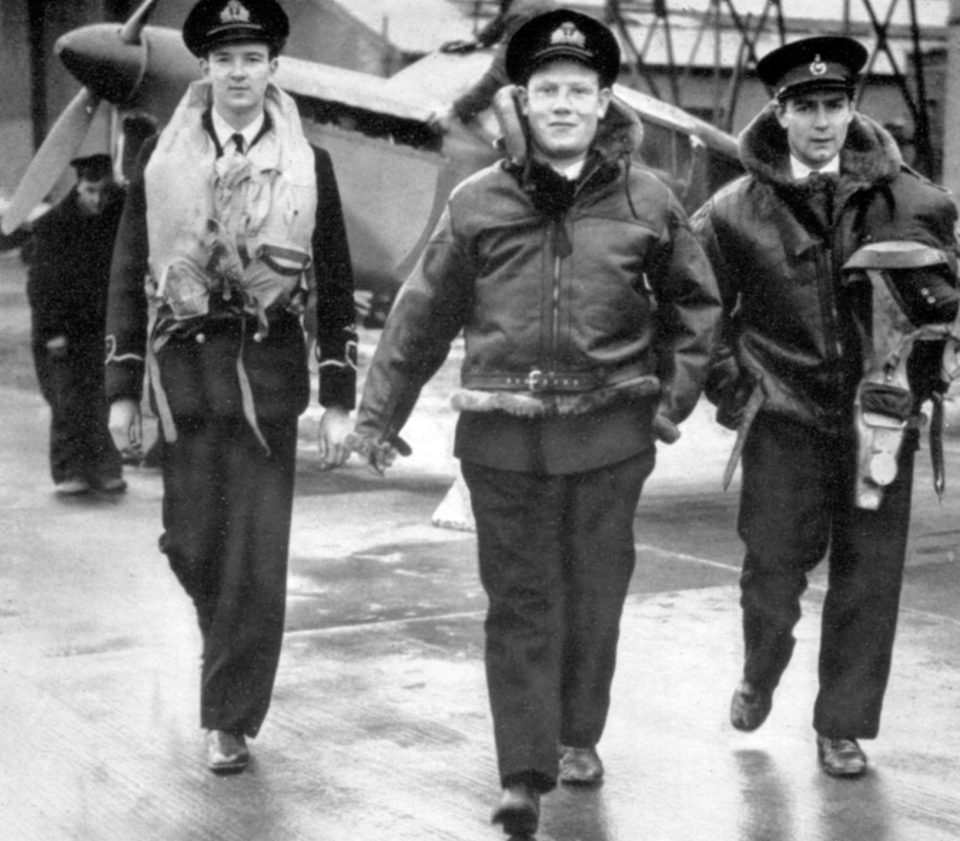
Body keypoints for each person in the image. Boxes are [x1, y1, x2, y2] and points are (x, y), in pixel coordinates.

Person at [351, 9, 719, 835]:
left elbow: (698, 303)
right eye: (546, 90)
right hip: (502, 438)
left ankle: (579, 730)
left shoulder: (648, 197)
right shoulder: (476, 201)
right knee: (517, 602)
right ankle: (523, 770)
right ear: (521, 99)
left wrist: (671, 399)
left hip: (611, 437)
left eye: (577, 90)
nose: (561, 104)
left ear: (603, 101)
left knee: (594, 595)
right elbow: (419, 317)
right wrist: (377, 420)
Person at [690, 36, 959, 778]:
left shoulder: (914, 199)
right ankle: (760, 669)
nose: (820, 122)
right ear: (778, 112)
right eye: (804, 107)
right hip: (783, 422)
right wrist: (737, 391)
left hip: (882, 420)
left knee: (869, 579)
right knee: (772, 576)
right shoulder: (731, 214)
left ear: (851, 107)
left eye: (833, 105)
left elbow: (949, 301)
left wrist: (926, 375)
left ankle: (840, 726)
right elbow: (695, 313)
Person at [105, 0, 357, 774]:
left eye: (253, 58)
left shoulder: (310, 164)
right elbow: (125, 274)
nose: (239, 73)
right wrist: (119, 389)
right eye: (225, 60)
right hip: (183, 384)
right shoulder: (161, 159)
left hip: (266, 383)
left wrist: (338, 397)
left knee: (255, 557)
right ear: (205, 70)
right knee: (192, 544)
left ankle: (228, 717)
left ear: (272, 68)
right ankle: (232, 650)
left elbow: (337, 284)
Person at [27, 153, 127, 496]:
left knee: (103, 396)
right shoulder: (53, 226)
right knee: (68, 400)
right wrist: (52, 333)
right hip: (62, 329)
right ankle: (70, 471)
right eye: (90, 190)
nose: (97, 199)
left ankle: (105, 468)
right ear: (78, 187)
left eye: (103, 191)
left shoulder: (117, 218)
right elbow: (41, 287)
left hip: (101, 327)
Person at [429, 0, 557, 134]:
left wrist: (453, 111)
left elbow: (500, 77)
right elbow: (503, 18)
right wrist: (479, 41)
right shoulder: (521, 5)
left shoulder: (524, 13)